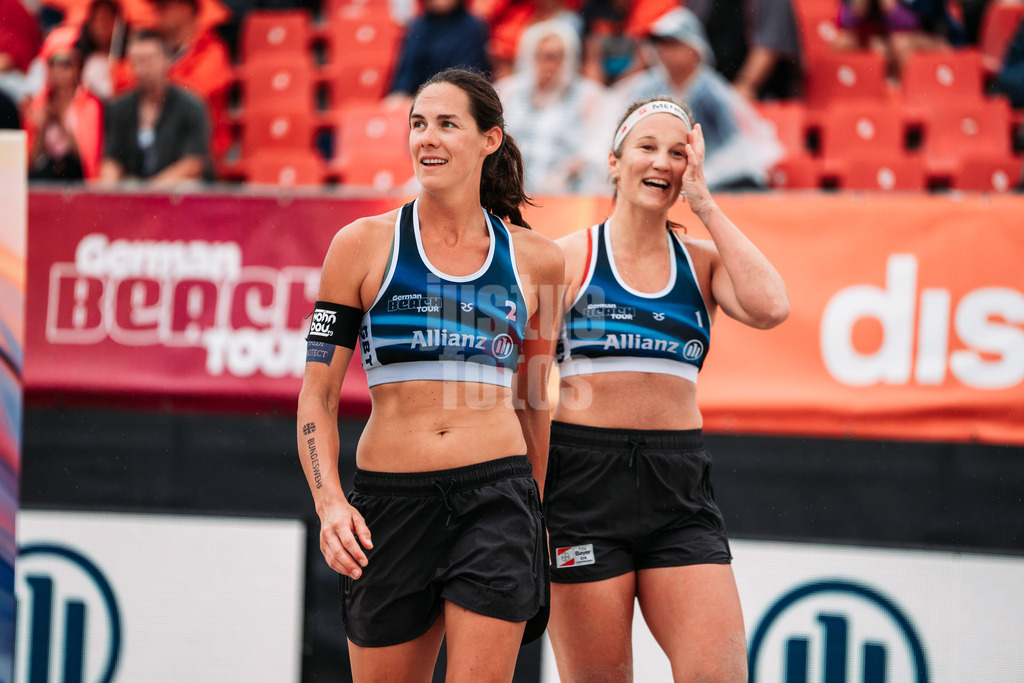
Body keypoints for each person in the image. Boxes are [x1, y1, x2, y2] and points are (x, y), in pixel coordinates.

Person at [296, 67, 564, 680]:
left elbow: (534, 401)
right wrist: (330, 504)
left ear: (488, 140)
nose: (427, 139)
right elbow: (318, 398)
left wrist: (537, 514)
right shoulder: (360, 245)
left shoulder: (539, 262)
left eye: (447, 124)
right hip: (389, 505)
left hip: (495, 500)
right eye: (418, 124)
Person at [544, 96, 789, 682]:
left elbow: (772, 306)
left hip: (677, 489)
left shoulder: (701, 263)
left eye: (678, 153)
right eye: (646, 147)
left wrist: (704, 203)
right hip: (583, 488)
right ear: (614, 161)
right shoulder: (568, 259)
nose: (662, 162)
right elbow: (516, 389)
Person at [612, 7, 783, 189]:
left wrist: (695, 174)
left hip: (715, 181)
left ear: (693, 47)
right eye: (660, 44)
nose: (664, 51)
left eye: (673, 44)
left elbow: (734, 149)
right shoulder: (646, 87)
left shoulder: (711, 92)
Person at [496, 18, 609, 194]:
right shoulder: (508, 91)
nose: (548, 64)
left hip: (566, 193)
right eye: (540, 55)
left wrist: (567, 171)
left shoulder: (588, 95)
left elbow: (598, 148)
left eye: (555, 57)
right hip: (510, 191)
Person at [100, 29, 212, 185]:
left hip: (174, 189)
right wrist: (107, 191)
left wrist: (151, 190)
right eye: (136, 61)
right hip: (136, 186)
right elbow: (112, 159)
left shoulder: (191, 105)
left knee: (189, 186)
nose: (142, 69)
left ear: (166, 59)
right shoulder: (119, 107)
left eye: (148, 60)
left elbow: (194, 163)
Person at [24, 26, 104, 181]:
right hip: (45, 175)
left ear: (77, 68)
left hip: (75, 176)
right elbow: (31, 162)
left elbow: (87, 161)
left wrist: (60, 121)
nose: (58, 70)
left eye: (65, 64)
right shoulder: (39, 103)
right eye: (53, 64)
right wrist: (43, 126)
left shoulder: (89, 104)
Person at [384, 0, 491, 112]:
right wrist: (400, 94)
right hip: (413, 100)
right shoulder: (418, 26)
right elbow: (406, 71)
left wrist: (423, 99)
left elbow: (466, 77)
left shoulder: (473, 27)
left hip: (452, 99)